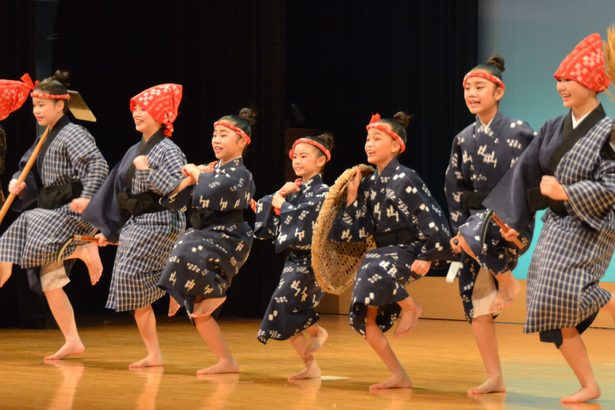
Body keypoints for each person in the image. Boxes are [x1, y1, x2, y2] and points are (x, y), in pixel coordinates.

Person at [484, 30, 615, 403]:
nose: (562, 86)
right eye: (559, 80)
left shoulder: (609, 131)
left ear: (591, 84)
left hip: (592, 223)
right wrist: (514, 220)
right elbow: (526, 176)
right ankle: (589, 383)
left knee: (565, 291)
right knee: (548, 304)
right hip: (557, 225)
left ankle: (605, 300)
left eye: (570, 79)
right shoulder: (553, 128)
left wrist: (567, 191)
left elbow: (612, 185)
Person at [330, 112, 452, 390]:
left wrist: (427, 255)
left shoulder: (406, 177)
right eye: (367, 139)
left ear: (396, 145)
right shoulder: (370, 183)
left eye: (377, 139)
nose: (369, 144)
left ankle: (411, 306)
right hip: (383, 255)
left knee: (371, 263)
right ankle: (398, 374)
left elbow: (430, 215)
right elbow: (358, 231)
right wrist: (351, 198)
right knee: (364, 313)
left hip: (409, 249)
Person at [0, 71, 109, 360]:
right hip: (51, 211)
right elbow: (29, 173)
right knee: (51, 281)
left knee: (11, 240)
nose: (36, 110)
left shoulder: (74, 133)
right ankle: (73, 339)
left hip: (72, 210)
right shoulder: (44, 138)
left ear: (60, 106)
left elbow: (97, 165)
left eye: (42, 105)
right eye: (34, 105)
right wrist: (19, 185)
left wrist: (87, 197)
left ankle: (81, 245)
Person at [444, 56, 535, 394]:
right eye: (467, 88)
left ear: (499, 91)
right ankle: (495, 376)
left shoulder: (521, 131)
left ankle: (509, 284)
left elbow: (534, 178)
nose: (471, 93)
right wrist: (457, 228)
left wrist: (520, 221)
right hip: (474, 225)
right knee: (476, 304)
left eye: (479, 87)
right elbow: (454, 187)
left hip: (509, 219)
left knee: (472, 235)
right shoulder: (463, 138)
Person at [84, 83, 186, 369]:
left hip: (163, 219)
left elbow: (176, 190)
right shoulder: (134, 149)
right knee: (130, 285)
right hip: (139, 221)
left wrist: (146, 169)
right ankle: (154, 351)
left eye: (145, 109)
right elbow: (117, 191)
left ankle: (176, 285)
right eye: (136, 109)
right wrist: (108, 230)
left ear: (161, 115)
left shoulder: (169, 150)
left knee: (130, 276)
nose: (138, 113)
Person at [158, 109, 256, 375]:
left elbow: (223, 191)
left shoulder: (242, 174)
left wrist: (200, 177)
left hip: (228, 237)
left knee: (185, 245)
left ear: (242, 141)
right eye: (214, 134)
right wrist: (188, 180)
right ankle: (226, 360)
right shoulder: (210, 171)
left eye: (223, 135)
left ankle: (185, 291)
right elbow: (172, 202)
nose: (216, 139)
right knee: (201, 313)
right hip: (205, 235)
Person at [254, 132, 333, 381]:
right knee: (286, 309)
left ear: (320, 161)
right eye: (294, 156)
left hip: (314, 261)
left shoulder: (324, 193)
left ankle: (318, 332)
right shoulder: (295, 191)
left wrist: (282, 204)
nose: (297, 161)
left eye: (304, 156)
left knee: (282, 303)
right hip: (294, 260)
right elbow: (270, 209)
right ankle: (311, 366)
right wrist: (281, 195)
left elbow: (306, 221)